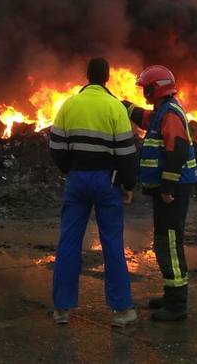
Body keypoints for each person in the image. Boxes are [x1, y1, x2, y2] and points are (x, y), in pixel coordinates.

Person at [48, 57, 139, 328]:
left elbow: (55, 146)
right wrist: (128, 185)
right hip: (106, 184)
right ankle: (122, 311)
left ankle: (62, 310)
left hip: (76, 181)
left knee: (68, 242)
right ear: (108, 77)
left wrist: (70, 169)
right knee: (111, 243)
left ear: (87, 76)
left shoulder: (69, 104)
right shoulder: (114, 107)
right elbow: (126, 153)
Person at [123, 65, 197, 322]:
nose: (145, 93)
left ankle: (177, 306)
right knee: (163, 242)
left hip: (173, 191)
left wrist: (167, 187)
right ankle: (170, 294)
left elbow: (176, 151)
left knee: (171, 245)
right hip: (166, 191)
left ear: (158, 88)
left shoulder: (171, 114)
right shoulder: (162, 111)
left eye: (147, 88)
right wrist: (124, 106)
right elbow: (144, 119)